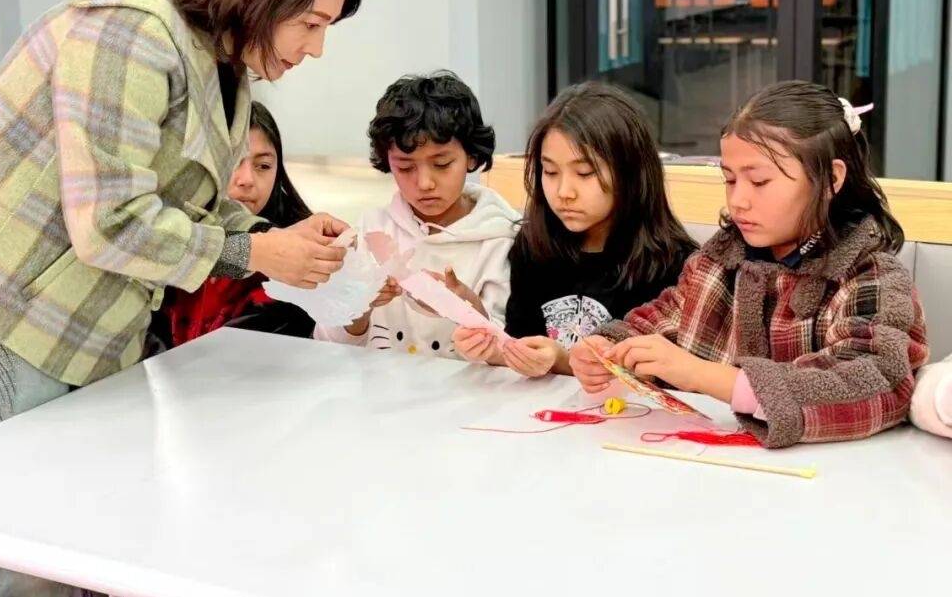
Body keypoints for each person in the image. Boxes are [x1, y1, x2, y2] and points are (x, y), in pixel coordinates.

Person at [0, 0, 361, 597]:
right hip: (5, 301)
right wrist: (260, 255)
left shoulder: (223, 59)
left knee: (82, 527)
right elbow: (110, 220)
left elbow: (187, 199)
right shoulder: (129, 33)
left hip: (90, 312)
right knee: (15, 541)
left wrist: (272, 238)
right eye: (310, 25)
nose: (314, 48)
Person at [570, 81, 929, 448]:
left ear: (831, 179)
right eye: (729, 179)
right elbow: (664, 317)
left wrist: (703, 376)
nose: (738, 200)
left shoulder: (869, 275)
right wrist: (608, 347)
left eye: (759, 181)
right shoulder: (720, 261)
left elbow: (877, 382)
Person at [456, 82, 695, 376]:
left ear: (631, 173)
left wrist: (562, 361)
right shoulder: (533, 246)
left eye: (584, 173)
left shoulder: (676, 265)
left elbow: (664, 379)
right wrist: (494, 350)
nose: (564, 191)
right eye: (551, 172)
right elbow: (522, 343)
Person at [313, 72, 519, 358]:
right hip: (383, 392)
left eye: (442, 163)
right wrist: (357, 306)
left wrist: (466, 307)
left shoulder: (501, 238)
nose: (424, 183)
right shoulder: (372, 229)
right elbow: (327, 342)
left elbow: (516, 350)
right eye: (406, 168)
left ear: (471, 157)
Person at [156, 101, 316, 345]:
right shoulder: (164, 232)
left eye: (263, 166)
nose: (247, 180)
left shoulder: (296, 254)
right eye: (231, 163)